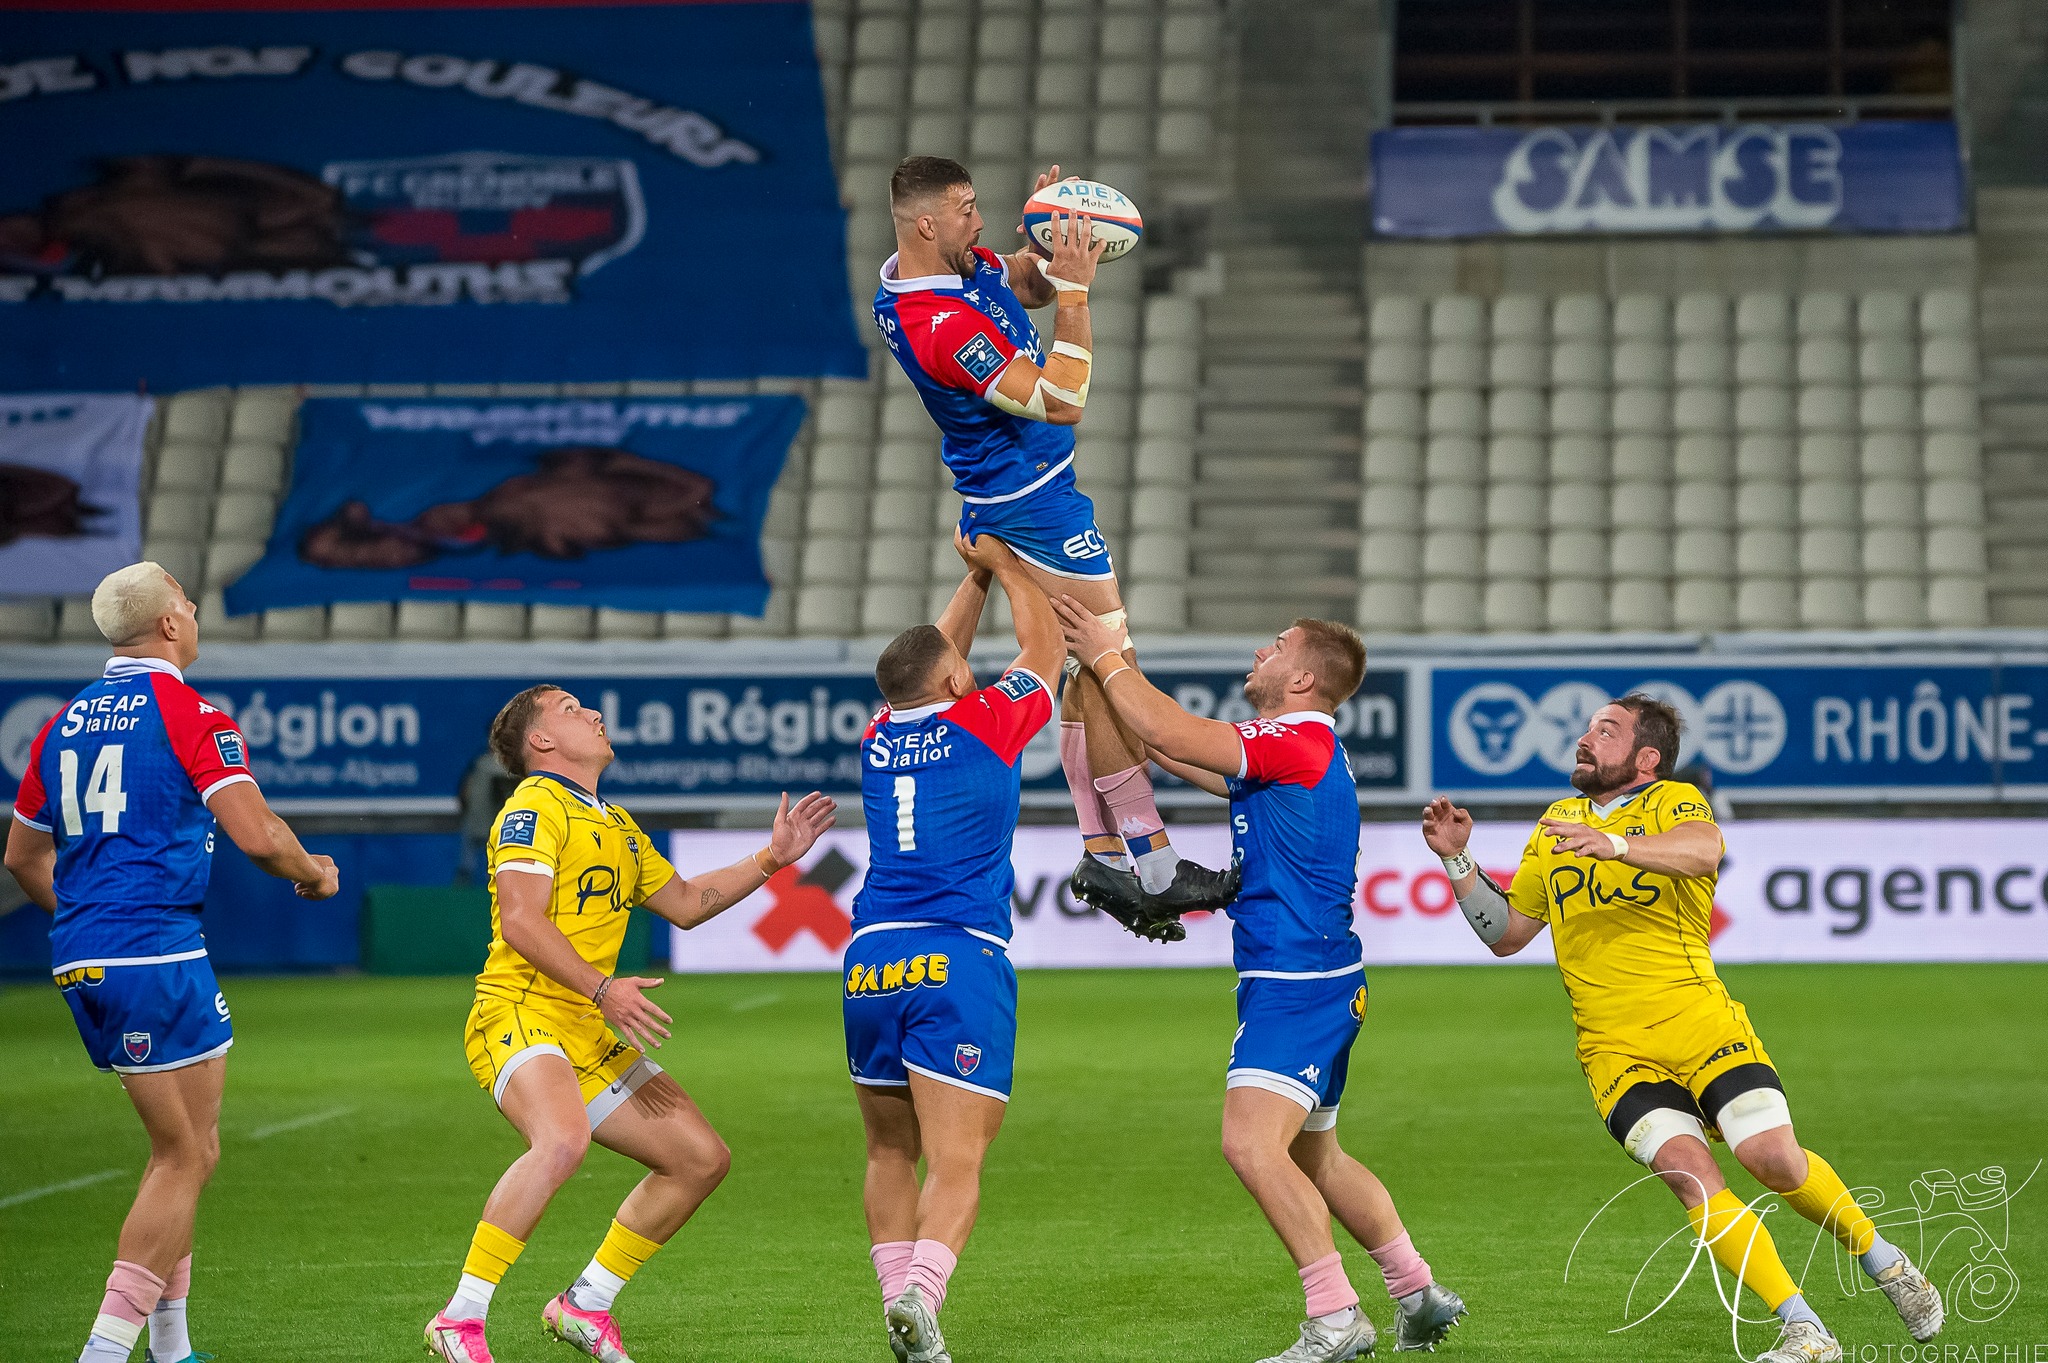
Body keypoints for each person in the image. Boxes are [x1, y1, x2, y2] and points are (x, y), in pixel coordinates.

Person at [1421, 695, 1945, 1363]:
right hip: (1614, 1049)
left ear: (1646, 758)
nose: (1584, 738)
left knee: (1774, 1160)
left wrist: (1616, 844)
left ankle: (1887, 1262)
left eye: (1605, 730)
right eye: (1587, 728)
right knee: (1692, 1178)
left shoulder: (1675, 801)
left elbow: (1703, 851)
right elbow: (1508, 933)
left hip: (1699, 1023)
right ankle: (1805, 1328)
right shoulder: (1557, 822)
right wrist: (1459, 861)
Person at [1053, 603, 1467, 1363]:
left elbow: (1175, 732)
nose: (1258, 652)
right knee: (1317, 1156)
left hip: (1295, 979)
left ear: (1302, 678)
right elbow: (1160, 740)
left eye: (1276, 646)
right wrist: (1105, 677)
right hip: (1323, 977)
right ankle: (1417, 1291)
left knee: (1249, 1145)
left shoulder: (1294, 740)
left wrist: (1107, 654)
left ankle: (1335, 1316)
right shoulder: (1295, 750)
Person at [873, 153, 1236, 938]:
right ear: (926, 223)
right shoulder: (939, 326)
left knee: (1091, 664)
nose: (980, 219)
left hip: (1021, 491)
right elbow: (1061, 398)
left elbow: (1021, 285)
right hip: (1031, 503)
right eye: (966, 209)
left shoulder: (938, 272)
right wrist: (1077, 290)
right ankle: (1151, 860)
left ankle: (1106, 854)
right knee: (1109, 661)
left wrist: (1047, 246)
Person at [424, 686, 836, 1363]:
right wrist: (602, 987)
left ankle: (585, 1303)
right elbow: (521, 920)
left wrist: (771, 858)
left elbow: (685, 902)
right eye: (569, 708)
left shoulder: (613, 822)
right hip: (520, 1010)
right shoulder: (532, 807)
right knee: (562, 1140)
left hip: (585, 1028)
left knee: (699, 1160)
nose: (592, 713)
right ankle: (460, 1317)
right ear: (541, 741)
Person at [4, 561, 341, 1363]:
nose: (192, 612)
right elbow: (259, 835)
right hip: (152, 952)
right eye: (186, 602)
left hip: (91, 952)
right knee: (182, 1154)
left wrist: (86, 924)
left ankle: (172, 1347)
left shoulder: (61, 723)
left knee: (193, 1149)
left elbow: (21, 857)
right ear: (168, 624)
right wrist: (315, 872)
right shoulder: (192, 714)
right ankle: (104, 1351)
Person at [847, 532, 1061, 1363]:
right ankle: (922, 1297)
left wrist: (971, 578)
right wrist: (1005, 565)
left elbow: (932, 660)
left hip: (870, 959)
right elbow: (1047, 648)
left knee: (888, 1148)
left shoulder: (876, 736)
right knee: (959, 1156)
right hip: (957, 956)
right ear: (955, 683)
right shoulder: (986, 722)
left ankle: (895, 1306)